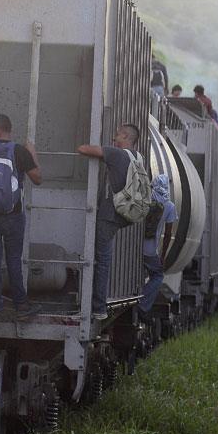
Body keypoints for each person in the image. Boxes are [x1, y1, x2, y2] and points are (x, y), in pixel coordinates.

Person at [0, 114, 43, 319]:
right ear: (9, 129)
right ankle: (21, 306)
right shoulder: (20, 152)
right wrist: (33, 153)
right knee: (13, 259)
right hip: (13, 216)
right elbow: (38, 179)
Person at [76, 123, 142, 319]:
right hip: (125, 214)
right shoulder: (138, 157)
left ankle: (98, 308)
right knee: (103, 257)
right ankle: (97, 303)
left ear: (125, 137)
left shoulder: (117, 154)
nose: (114, 139)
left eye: (117, 135)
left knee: (102, 260)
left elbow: (83, 149)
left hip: (110, 213)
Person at [140, 174, 178, 320]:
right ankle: (143, 304)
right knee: (158, 275)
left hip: (135, 249)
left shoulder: (145, 199)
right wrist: (162, 256)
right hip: (150, 251)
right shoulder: (169, 206)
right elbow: (168, 235)